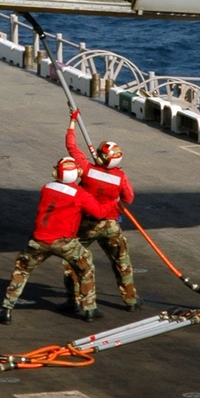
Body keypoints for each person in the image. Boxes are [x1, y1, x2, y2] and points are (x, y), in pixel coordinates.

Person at [0, 158, 112, 324]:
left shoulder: (46, 188)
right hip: (64, 242)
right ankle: (89, 309)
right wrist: (113, 201)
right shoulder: (80, 194)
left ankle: (6, 309)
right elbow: (99, 213)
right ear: (76, 173)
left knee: (22, 270)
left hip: (39, 240)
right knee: (85, 266)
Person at [62, 109, 140, 311]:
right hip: (110, 224)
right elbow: (129, 199)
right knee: (122, 262)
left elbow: (71, 146)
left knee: (73, 261)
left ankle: (73, 300)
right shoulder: (121, 178)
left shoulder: (87, 170)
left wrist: (73, 121)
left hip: (86, 223)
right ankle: (130, 301)